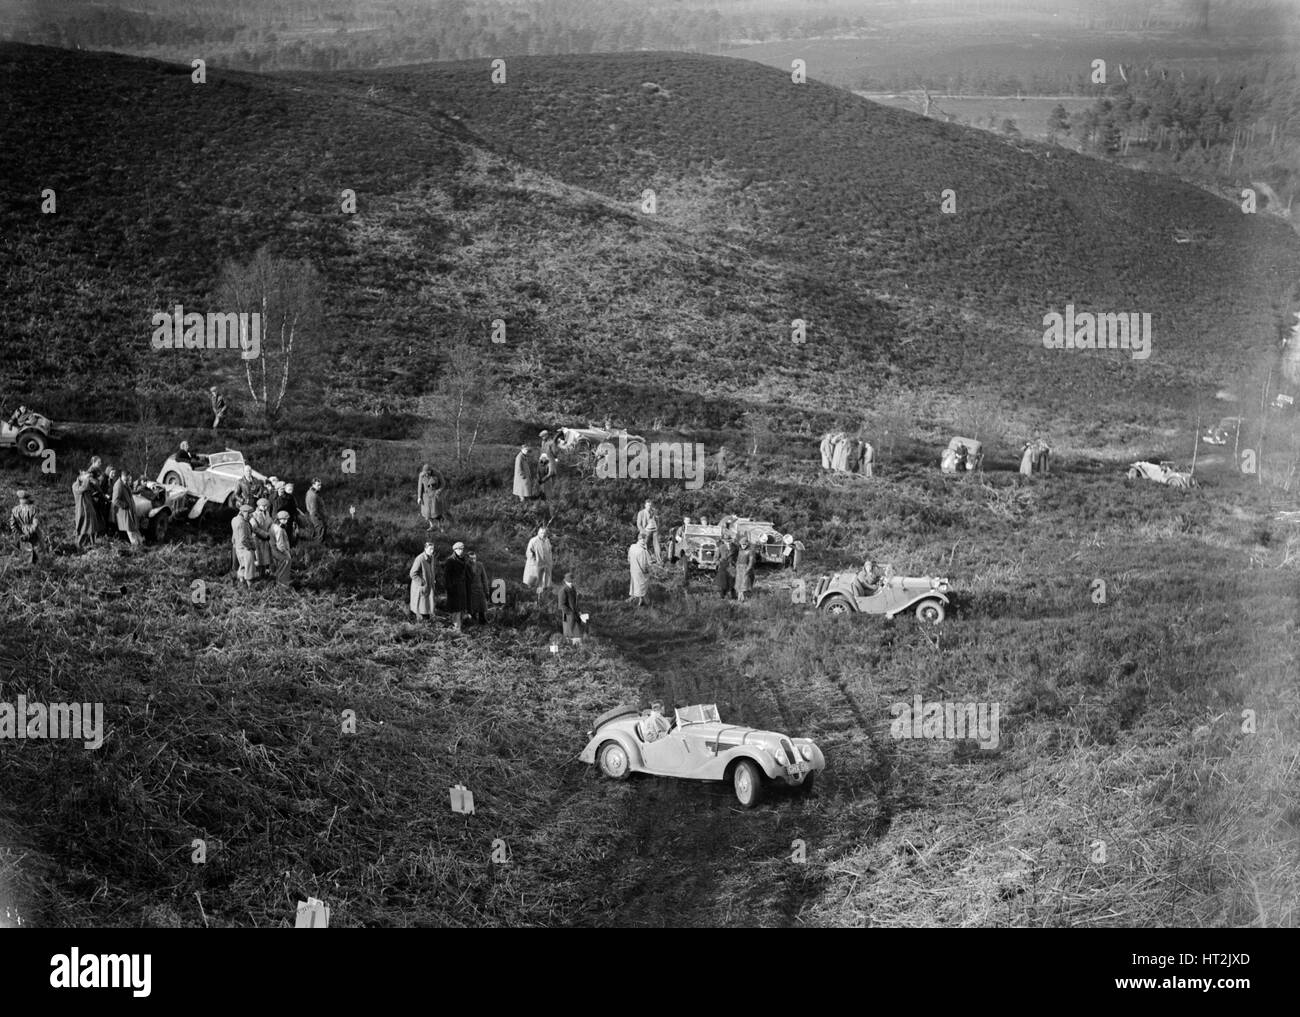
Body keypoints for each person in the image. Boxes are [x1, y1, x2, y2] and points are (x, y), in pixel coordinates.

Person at [71, 468, 105, 550]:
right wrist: (86, 480)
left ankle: (91, 545)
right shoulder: (75, 485)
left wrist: (94, 482)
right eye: (84, 473)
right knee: (83, 529)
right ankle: (79, 547)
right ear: (80, 475)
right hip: (82, 510)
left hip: (90, 509)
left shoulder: (87, 483)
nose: (86, 475)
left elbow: (97, 489)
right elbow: (81, 490)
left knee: (92, 529)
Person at [110, 468, 142, 548]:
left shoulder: (124, 483)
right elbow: (115, 500)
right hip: (125, 512)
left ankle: (141, 545)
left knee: (134, 529)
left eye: (129, 478)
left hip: (130, 511)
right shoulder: (118, 485)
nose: (129, 480)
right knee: (130, 531)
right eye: (127, 478)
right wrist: (125, 505)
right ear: (123, 476)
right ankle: (137, 549)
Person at [443, 541, 470, 633]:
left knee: (461, 609)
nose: (461, 551)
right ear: (455, 550)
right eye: (459, 549)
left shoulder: (463, 560)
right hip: (453, 589)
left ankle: (459, 628)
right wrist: (449, 588)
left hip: (462, 588)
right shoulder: (450, 560)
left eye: (462, 549)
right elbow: (446, 576)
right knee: (455, 609)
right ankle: (456, 629)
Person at [523, 525, 553, 603]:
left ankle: (539, 601)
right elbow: (528, 553)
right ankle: (530, 601)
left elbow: (549, 552)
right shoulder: (533, 541)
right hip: (534, 567)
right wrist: (534, 561)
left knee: (542, 586)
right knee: (531, 585)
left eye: (545, 533)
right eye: (542, 533)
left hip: (545, 567)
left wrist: (550, 562)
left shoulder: (547, 540)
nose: (543, 534)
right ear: (538, 532)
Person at [408, 541, 438, 621]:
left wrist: (433, 580)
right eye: (430, 549)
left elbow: (432, 571)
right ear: (425, 549)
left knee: (427, 610)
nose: (432, 551)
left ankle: (425, 628)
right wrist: (422, 582)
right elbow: (412, 573)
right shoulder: (420, 558)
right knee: (421, 611)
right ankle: (418, 628)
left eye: (433, 549)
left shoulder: (432, 558)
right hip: (421, 589)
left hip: (429, 588)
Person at [8, 489, 40, 564]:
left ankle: (26, 565)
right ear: (28, 499)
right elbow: (35, 525)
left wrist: (20, 534)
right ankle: (36, 566)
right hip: (33, 533)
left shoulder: (15, 510)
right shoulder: (34, 509)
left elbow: (12, 525)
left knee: (23, 551)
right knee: (37, 550)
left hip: (21, 531)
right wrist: (29, 533)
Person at [230, 504, 257, 589]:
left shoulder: (234, 519)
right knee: (249, 568)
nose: (250, 515)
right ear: (243, 512)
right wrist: (251, 547)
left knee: (242, 565)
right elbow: (243, 540)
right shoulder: (243, 523)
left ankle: (241, 583)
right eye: (249, 514)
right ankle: (250, 587)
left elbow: (234, 536)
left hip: (238, 547)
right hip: (245, 549)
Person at [417, 464, 449, 531]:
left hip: (435, 495)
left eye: (427, 472)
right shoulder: (421, 475)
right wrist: (419, 497)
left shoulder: (437, 474)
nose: (426, 474)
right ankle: (432, 526)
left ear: (430, 471)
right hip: (426, 496)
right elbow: (420, 486)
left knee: (437, 512)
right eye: (425, 473)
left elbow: (443, 483)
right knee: (427, 513)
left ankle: (440, 526)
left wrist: (438, 491)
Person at [557, 571, 584, 644]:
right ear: (565, 581)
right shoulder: (563, 590)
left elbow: (575, 603)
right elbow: (561, 605)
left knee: (578, 636)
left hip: (576, 615)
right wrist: (571, 613)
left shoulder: (573, 589)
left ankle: (579, 652)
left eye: (572, 580)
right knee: (570, 636)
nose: (571, 582)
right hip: (568, 616)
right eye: (569, 581)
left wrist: (579, 611)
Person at [250, 498, 274, 577]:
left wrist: (271, 532)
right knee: (259, 558)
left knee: (266, 557)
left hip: (266, 539)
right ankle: (260, 575)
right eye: (263, 506)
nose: (265, 508)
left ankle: (266, 574)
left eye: (266, 506)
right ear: (258, 506)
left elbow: (270, 523)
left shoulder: (267, 513)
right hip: (258, 539)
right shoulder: (253, 515)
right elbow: (255, 528)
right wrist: (265, 534)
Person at [466, 549, 490, 625]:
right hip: (470, 591)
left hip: (480, 590)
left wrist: (487, 591)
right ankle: (473, 624)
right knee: (472, 610)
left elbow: (484, 578)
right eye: (471, 558)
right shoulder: (465, 566)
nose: (473, 560)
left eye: (474, 558)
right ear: (468, 559)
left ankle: (483, 623)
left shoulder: (480, 565)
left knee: (482, 609)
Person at [628, 533, 652, 607]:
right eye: (644, 539)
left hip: (633, 569)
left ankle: (632, 597)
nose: (645, 541)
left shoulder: (632, 547)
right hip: (639, 571)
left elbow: (629, 558)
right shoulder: (643, 551)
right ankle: (641, 601)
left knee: (634, 583)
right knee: (642, 584)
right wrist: (647, 570)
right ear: (641, 539)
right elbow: (645, 563)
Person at [270, 511, 293, 587]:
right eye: (285, 519)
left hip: (273, 550)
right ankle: (283, 585)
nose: (286, 521)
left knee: (279, 568)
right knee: (286, 563)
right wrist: (286, 553)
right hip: (278, 551)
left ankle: (279, 583)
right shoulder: (279, 529)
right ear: (280, 519)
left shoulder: (273, 526)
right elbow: (280, 545)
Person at [635, 500, 661, 564]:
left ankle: (659, 560)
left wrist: (657, 527)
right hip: (646, 530)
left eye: (650, 505)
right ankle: (649, 560)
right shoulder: (641, 513)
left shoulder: (654, 512)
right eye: (648, 505)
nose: (649, 506)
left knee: (656, 545)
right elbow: (639, 524)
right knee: (644, 544)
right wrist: (643, 531)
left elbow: (657, 520)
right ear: (645, 505)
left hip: (654, 530)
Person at [276, 482, 302, 547]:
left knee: (290, 534)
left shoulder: (292, 498)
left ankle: (290, 547)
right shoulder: (281, 498)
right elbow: (279, 509)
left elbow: (294, 508)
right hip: (283, 519)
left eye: (292, 490)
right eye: (289, 489)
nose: (291, 491)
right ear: (285, 489)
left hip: (290, 518)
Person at [306, 478, 328, 544]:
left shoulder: (313, 493)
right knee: (320, 529)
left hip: (316, 514)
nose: (320, 487)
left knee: (318, 530)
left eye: (320, 485)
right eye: (318, 485)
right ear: (313, 485)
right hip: (316, 515)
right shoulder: (312, 495)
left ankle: (318, 544)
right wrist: (320, 517)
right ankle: (319, 545)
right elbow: (313, 509)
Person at [734, 537, 755, 603]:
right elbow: (737, 560)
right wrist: (736, 567)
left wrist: (747, 570)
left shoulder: (750, 551)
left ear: (747, 544)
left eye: (744, 544)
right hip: (739, 569)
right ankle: (739, 598)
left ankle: (742, 598)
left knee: (744, 584)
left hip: (745, 568)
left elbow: (751, 562)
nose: (743, 546)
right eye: (742, 544)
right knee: (738, 583)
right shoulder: (740, 551)